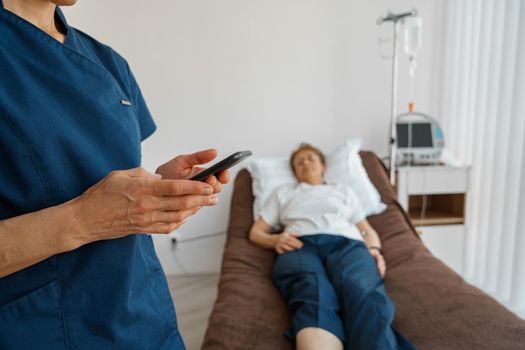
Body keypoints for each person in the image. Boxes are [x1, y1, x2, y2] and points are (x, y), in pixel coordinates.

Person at [0, 1, 229, 349]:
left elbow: (96, 173)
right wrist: (83, 219)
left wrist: (159, 188)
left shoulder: (107, 62)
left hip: (141, 309)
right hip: (43, 325)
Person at [249, 144, 416, 350]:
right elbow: (256, 232)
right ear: (294, 171)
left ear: (323, 167)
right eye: (299, 162)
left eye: (310, 158)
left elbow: (367, 230)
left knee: (360, 289)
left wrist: (375, 250)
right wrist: (274, 240)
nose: (305, 163)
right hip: (300, 245)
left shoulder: (343, 191)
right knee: (312, 291)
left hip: (347, 245)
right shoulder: (283, 193)